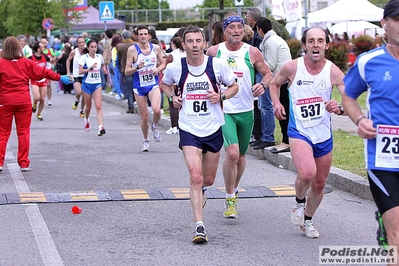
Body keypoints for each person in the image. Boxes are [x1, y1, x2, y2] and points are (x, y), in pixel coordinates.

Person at [161, 26, 238, 243]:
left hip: (213, 127)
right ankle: (199, 226)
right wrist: (172, 98)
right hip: (189, 128)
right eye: (190, 41)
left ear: (204, 44)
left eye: (198, 41)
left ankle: (203, 189)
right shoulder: (177, 67)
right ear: (183, 45)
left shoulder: (217, 65)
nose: (195, 45)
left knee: (208, 179)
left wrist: (221, 95)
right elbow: (165, 84)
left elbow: (235, 86)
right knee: (195, 175)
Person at [270, 27, 346, 238]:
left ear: (326, 45)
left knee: (320, 183)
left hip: (323, 134)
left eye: (320, 41)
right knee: (307, 173)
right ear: (304, 45)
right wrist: (276, 103)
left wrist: (339, 108)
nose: (315, 44)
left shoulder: (333, 71)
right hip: (300, 131)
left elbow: (349, 102)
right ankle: (298, 202)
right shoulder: (292, 68)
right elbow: (274, 84)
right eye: (311, 41)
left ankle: (308, 220)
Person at [342, 0, 399, 256]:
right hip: (383, 158)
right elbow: (349, 95)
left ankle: (385, 225)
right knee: (397, 228)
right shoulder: (369, 61)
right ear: (384, 24)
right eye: (397, 20)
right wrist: (359, 120)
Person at [206, 14, 273, 219]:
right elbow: (200, 74)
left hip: (246, 110)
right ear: (224, 31)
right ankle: (229, 198)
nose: (236, 31)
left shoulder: (252, 51)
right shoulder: (214, 52)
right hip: (224, 110)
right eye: (231, 28)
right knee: (232, 153)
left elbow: (269, 74)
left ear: (244, 31)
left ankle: (233, 190)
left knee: (242, 156)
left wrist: (262, 85)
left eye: (239, 28)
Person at [0, 36, 72, 173]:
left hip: (5, 102)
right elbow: (43, 72)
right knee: (23, 133)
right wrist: (59, 77)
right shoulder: (26, 63)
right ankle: (24, 163)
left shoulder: (1, 63)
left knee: (2, 133)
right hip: (23, 101)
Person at [125, 26, 166, 152]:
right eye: (141, 34)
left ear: (149, 36)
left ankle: (155, 125)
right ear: (137, 36)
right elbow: (126, 71)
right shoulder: (132, 50)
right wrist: (137, 67)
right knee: (144, 116)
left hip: (152, 84)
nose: (143, 36)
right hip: (139, 86)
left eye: (145, 34)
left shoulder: (156, 48)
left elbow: (163, 63)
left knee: (156, 109)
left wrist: (157, 70)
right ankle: (145, 140)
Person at [257, 17, 292, 153]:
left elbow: (270, 64)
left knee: (283, 112)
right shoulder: (273, 39)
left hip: (283, 81)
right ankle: (285, 140)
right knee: (281, 111)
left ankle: (286, 141)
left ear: (260, 30)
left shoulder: (271, 42)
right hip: (281, 80)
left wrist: (257, 64)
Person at [78, 39, 107, 137]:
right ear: (88, 48)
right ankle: (86, 119)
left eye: (95, 47)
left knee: (98, 106)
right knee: (88, 107)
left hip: (97, 84)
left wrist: (103, 69)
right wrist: (90, 68)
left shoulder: (99, 57)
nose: (94, 49)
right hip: (87, 84)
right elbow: (80, 71)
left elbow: (103, 65)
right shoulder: (84, 57)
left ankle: (100, 127)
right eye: (92, 47)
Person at [165, 36, 186, 135]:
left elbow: (166, 67)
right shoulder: (187, 53)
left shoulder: (172, 55)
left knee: (172, 103)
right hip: (185, 80)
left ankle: (174, 126)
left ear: (173, 44)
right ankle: (181, 126)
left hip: (173, 82)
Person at [29, 42, 51, 121]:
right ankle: (34, 103)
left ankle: (39, 113)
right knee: (37, 97)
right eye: (42, 47)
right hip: (34, 80)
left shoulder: (44, 56)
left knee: (42, 99)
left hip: (43, 80)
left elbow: (51, 62)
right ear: (38, 49)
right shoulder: (30, 58)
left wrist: (58, 58)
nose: (44, 48)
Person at [116, 30, 136, 114]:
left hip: (126, 70)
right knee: (137, 88)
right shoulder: (136, 45)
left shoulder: (120, 46)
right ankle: (137, 102)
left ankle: (130, 106)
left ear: (123, 37)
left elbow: (118, 60)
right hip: (136, 69)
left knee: (128, 88)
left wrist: (120, 70)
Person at [67, 36, 86, 118]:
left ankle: (82, 111)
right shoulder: (74, 52)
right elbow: (68, 60)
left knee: (85, 95)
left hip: (85, 75)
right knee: (78, 92)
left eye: (83, 42)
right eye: (80, 42)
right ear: (77, 44)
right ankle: (77, 100)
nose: (81, 44)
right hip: (76, 75)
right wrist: (68, 72)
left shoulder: (87, 51)